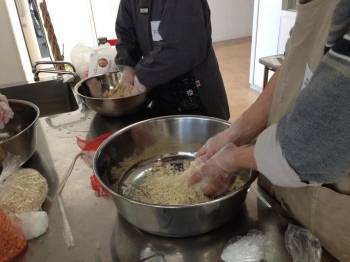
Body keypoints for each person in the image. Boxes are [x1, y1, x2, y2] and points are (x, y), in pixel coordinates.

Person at [190, 0, 350, 260]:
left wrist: (232, 160)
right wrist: (237, 132)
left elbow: (316, 139)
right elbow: (294, 63)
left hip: (330, 212)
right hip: (284, 190)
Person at [114, 0, 230, 120]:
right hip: (160, 93)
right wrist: (127, 69)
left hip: (197, 94)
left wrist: (143, 77)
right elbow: (126, 37)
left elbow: (183, 46)